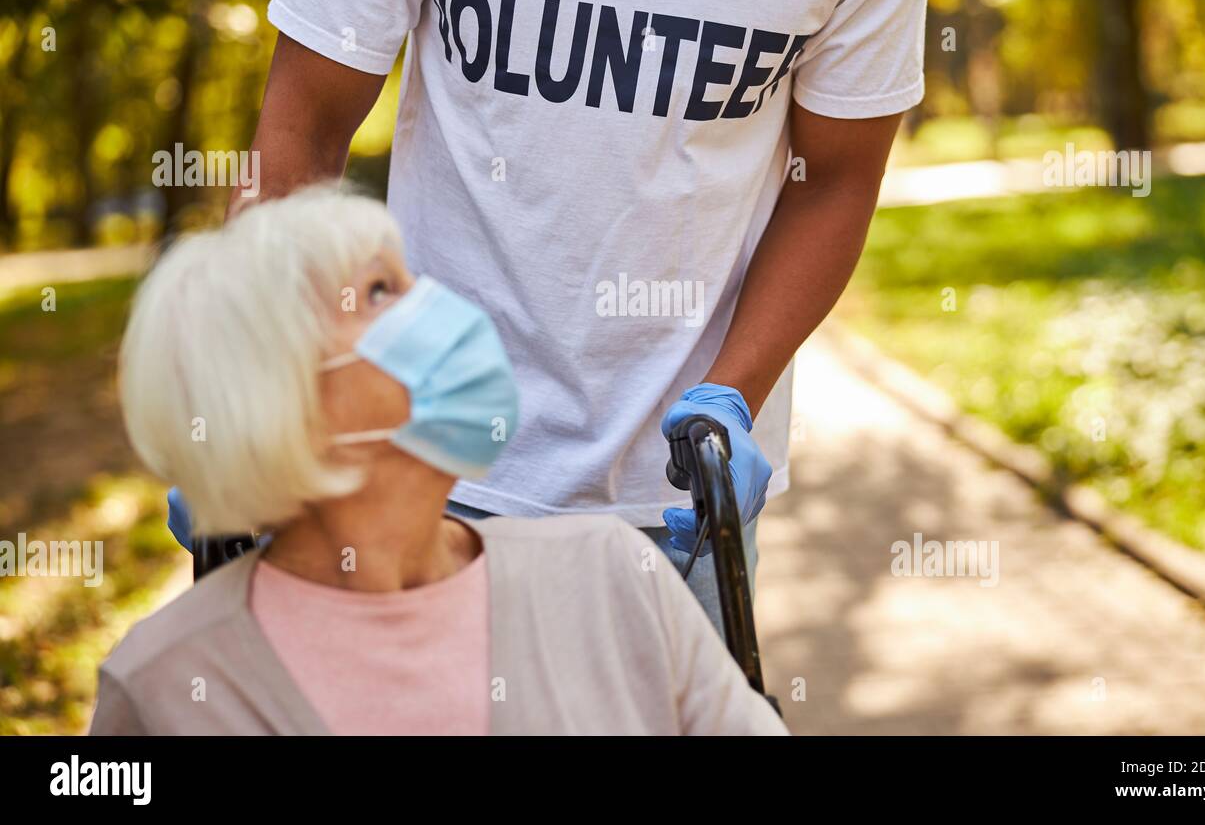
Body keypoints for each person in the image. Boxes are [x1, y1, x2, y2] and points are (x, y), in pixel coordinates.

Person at [169, 0, 937, 629]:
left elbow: (831, 181)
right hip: (406, 462)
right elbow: (303, 131)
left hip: (676, 514)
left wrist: (733, 396)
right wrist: (254, 389)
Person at [91, 189, 786, 735]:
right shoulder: (165, 685)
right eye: (380, 292)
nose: (436, 307)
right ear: (276, 393)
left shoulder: (616, 575)